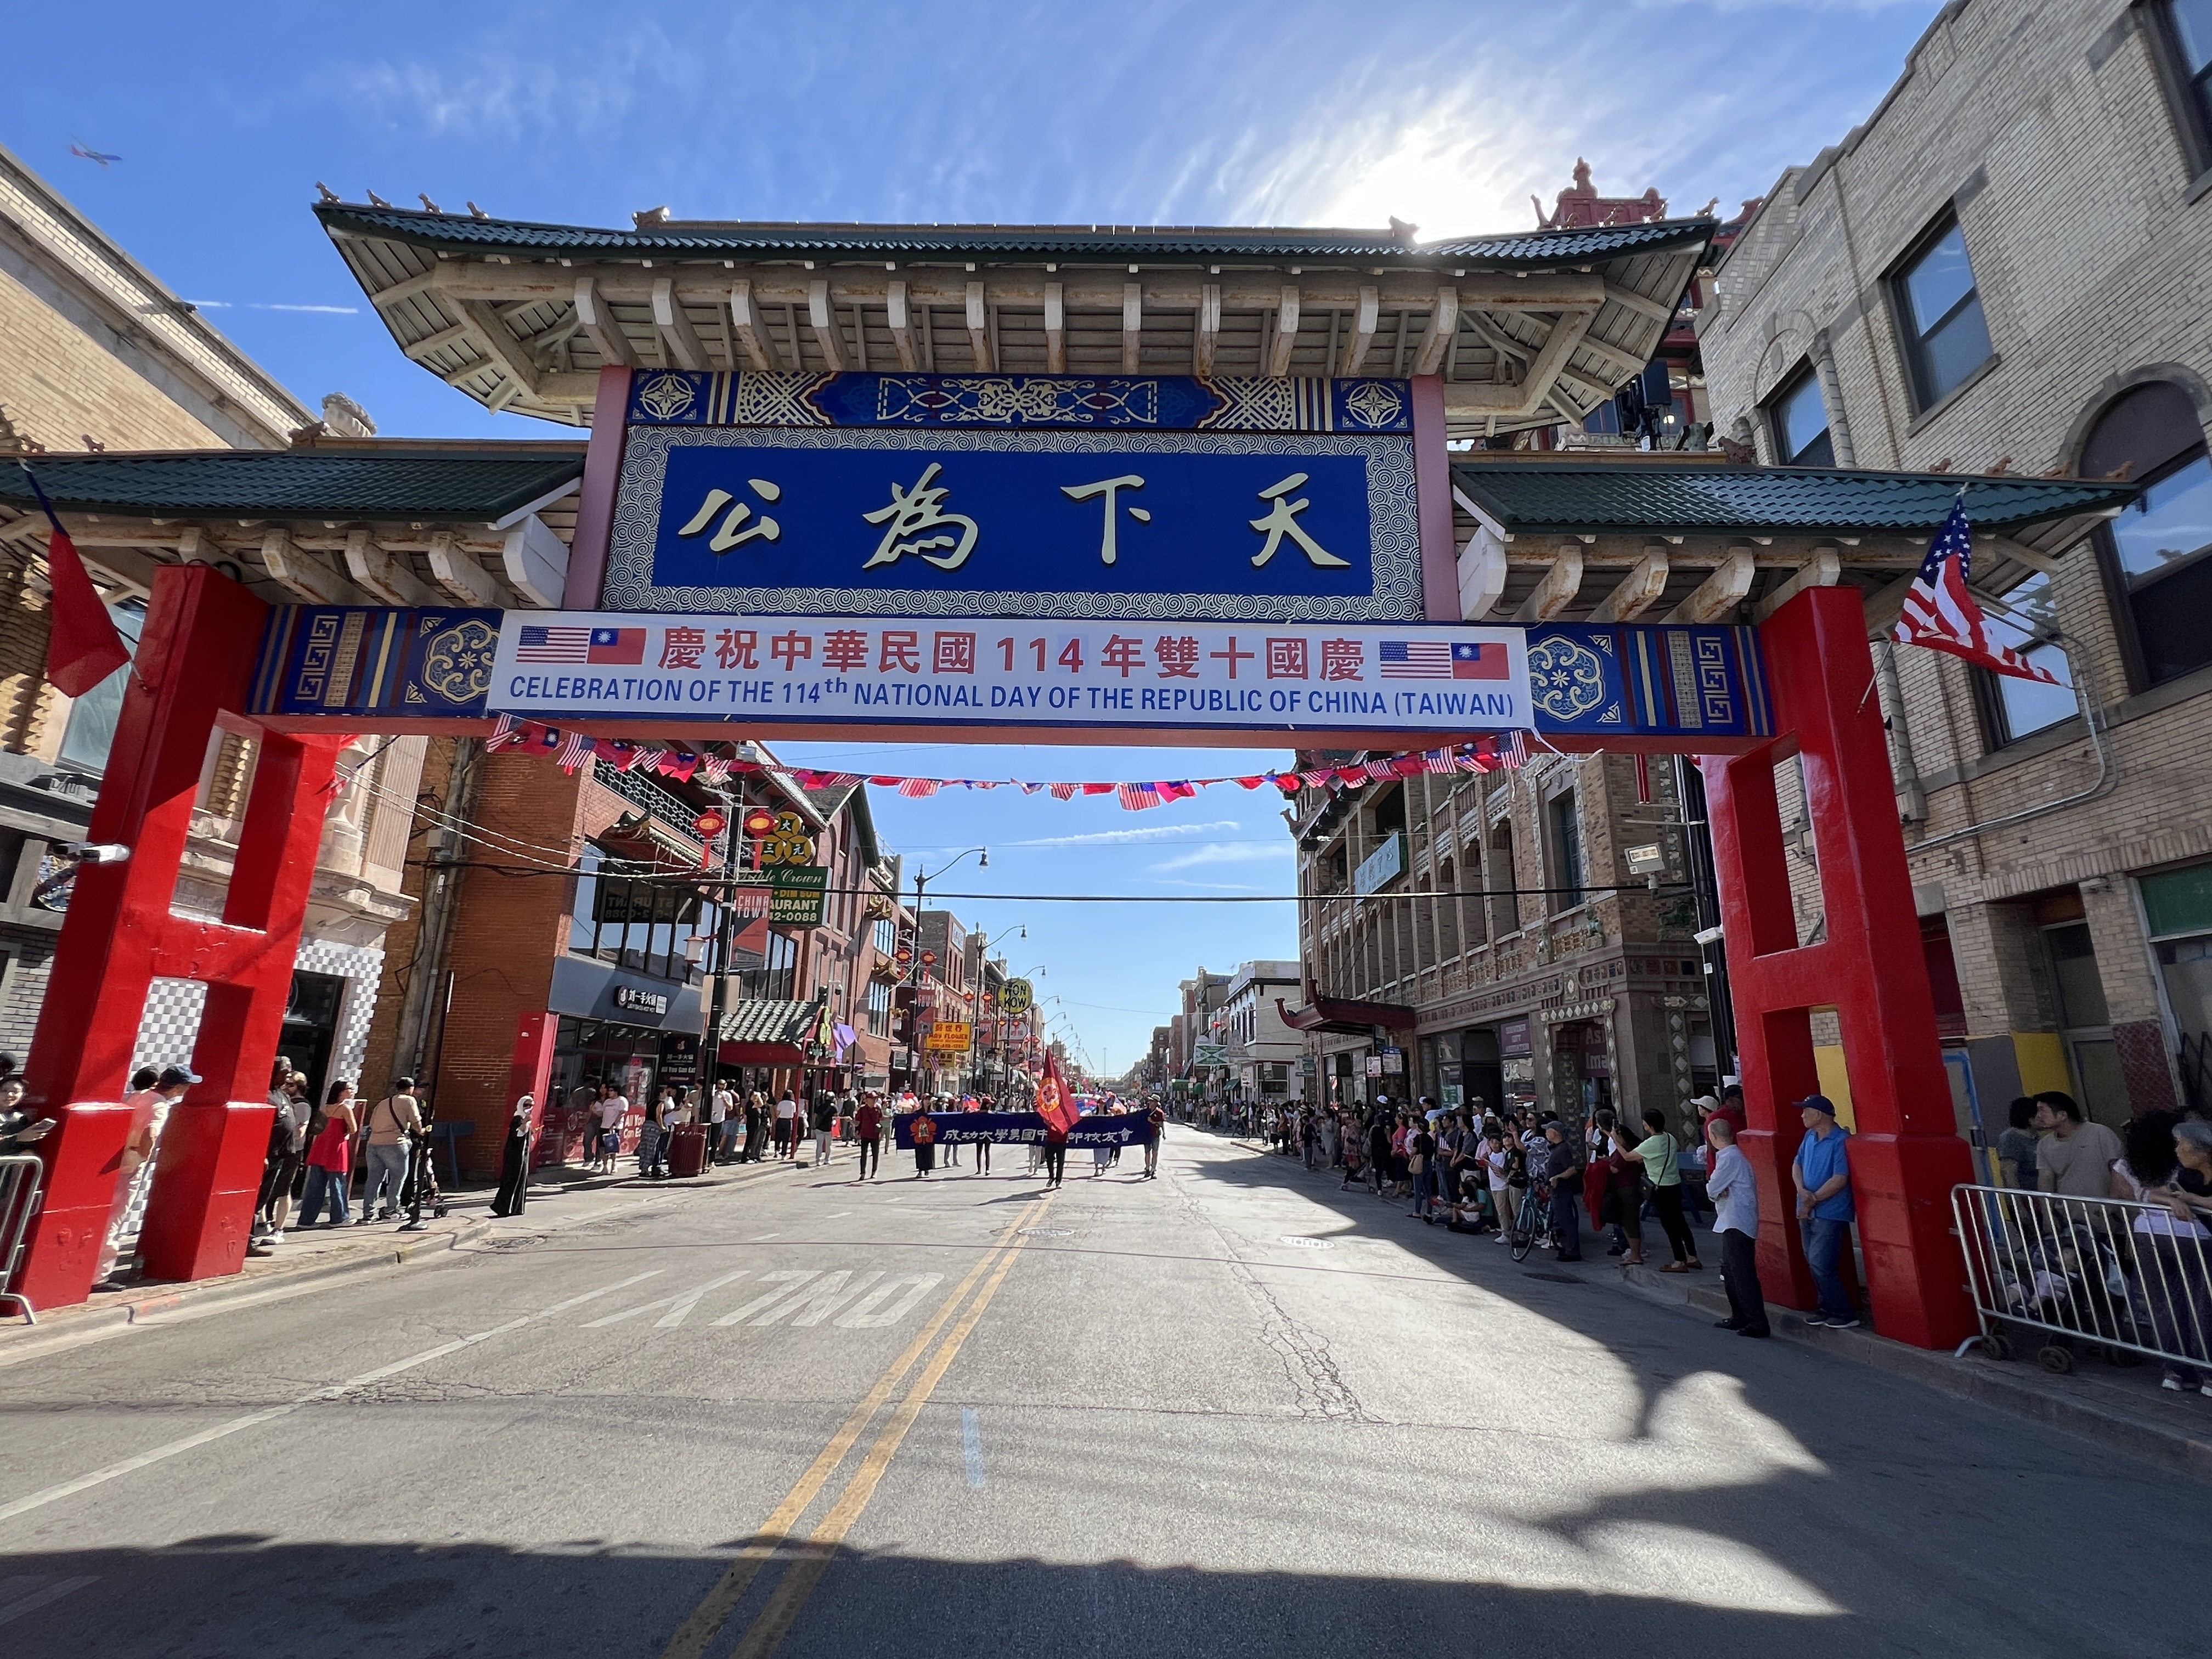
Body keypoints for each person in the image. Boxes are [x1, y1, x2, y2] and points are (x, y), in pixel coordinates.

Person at [2111, 1110, 2212, 1394]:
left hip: (2148, 1233)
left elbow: (2135, 1195)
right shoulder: (2185, 1165)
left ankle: (2175, 1371)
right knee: (2201, 1306)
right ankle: (2207, 1373)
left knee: (2165, 1305)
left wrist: (2171, 1200)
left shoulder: (2128, 1165)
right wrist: (2178, 1201)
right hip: (2193, 1234)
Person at [92, 1065, 193, 1287]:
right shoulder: (160, 1106)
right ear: (177, 1088)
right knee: (115, 1219)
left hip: (113, 1161)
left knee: (103, 1215)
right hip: (130, 1165)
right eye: (186, 1086)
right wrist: (143, 1157)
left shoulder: (139, 1095)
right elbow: (151, 1134)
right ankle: (99, 1276)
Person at [1791, 1093, 1859, 1328]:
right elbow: (1797, 1164)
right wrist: (1801, 1190)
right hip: (1807, 1207)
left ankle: (1844, 1311)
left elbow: (1840, 1178)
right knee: (1813, 1261)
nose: (1802, 1116)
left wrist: (1812, 1200)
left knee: (1820, 1262)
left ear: (1818, 1114)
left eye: (1805, 1111)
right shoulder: (1809, 1136)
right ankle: (1827, 1307)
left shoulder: (1841, 1140)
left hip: (1830, 1211)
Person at [1705, 1117, 1769, 1336]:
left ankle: (1756, 1322)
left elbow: (1712, 1188)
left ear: (1713, 1137)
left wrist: (1716, 1191)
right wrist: (1718, 1190)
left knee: (1742, 1273)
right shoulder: (1733, 1156)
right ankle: (1740, 1315)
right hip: (1732, 1221)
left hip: (1737, 1222)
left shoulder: (1729, 1157)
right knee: (1730, 1272)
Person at [1622, 1108, 1700, 1272]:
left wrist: (1617, 1142)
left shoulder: (1652, 1142)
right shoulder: (1670, 1138)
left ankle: (1679, 1261)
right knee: (1681, 1222)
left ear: (1650, 1125)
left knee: (1670, 1226)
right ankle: (1692, 1256)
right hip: (1675, 1184)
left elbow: (1628, 1157)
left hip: (1661, 1188)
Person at [252, 1062, 306, 1252]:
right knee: (257, 1198)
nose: (287, 1077)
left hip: (282, 1156)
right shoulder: (265, 1095)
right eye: (284, 1072)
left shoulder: (282, 1095)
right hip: (268, 1157)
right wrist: (262, 1154)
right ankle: (249, 1239)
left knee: (265, 1196)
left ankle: (251, 1238)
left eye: (290, 1073)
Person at [2033, 1091, 2122, 1198]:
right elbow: (2046, 1180)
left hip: (2104, 1205)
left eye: (2042, 1110)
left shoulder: (2100, 1133)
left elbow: (2118, 1170)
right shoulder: (2044, 1145)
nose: (2038, 1116)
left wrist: (2112, 1202)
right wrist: (2047, 1209)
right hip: (2068, 1208)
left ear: (2062, 1115)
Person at [358, 1077, 421, 1223]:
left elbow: (372, 1124)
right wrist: (422, 1131)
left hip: (374, 1144)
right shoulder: (409, 1100)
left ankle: (368, 1214)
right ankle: (391, 1211)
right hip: (395, 1143)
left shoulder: (383, 1103)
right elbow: (416, 1121)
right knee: (397, 1178)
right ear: (410, 1089)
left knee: (373, 1179)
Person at [297, 1080, 358, 1228]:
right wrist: (346, 1133)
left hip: (320, 1148)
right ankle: (339, 1218)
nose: (352, 1091)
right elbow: (353, 1129)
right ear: (341, 1092)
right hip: (336, 1148)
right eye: (350, 1089)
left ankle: (306, 1220)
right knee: (338, 1184)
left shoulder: (325, 1108)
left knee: (315, 1186)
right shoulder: (345, 1109)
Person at [1539, 1121, 1584, 1260]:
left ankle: (1573, 1251)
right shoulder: (1557, 1148)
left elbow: (1572, 1169)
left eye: (1548, 1131)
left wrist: (1557, 1177)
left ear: (1554, 1133)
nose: (1546, 1133)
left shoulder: (1563, 1149)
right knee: (1562, 1221)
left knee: (1567, 1221)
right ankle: (1567, 1247)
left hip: (1562, 1191)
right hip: (1556, 1191)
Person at [490, 1094, 535, 1217]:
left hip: (523, 1155)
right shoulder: (518, 1118)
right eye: (526, 1105)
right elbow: (518, 1134)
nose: (528, 1108)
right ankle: (503, 1208)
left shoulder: (525, 1119)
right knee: (511, 1180)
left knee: (521, 1180)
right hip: (514, 1155)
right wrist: (525, 1123)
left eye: (531, 1106)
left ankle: (517, 1208)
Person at [0, 1074, 54, 1156]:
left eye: (15, 1091)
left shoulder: (22, 1120)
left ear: (23, 1095)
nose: (10, 1095)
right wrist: (19, 1138)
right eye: (4, 1091)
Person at [1995, 1096, 2041, 1191]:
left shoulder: (2037, 1137)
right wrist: (2017, 1199)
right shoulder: (2010, 1138)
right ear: (2030, 1117)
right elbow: (2009, 1174)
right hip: (2027, 1194)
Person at [1407, 1117, 1438, 1220]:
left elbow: (1414, 1151)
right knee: (1428, 1188)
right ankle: (1429, 1212)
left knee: (1418, 1188)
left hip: (1420, 1162)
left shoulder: (1418, 1138)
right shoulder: (1430, 1138)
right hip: (1429, 1162)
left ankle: (1417, 1211)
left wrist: (1411, 1156)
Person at [596, 1085, 628, 1174]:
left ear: (616, 1092)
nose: (609, 1092)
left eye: (611, 1091)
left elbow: (622, 1113)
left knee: (613, 1147)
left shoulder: (621, 1100)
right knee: (603, 1148)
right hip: (604, 1126)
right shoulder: (607, 1101)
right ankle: (605, 1166)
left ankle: (614, 1164)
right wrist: (594, 1111)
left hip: (615, 1127)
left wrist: (614, 1124)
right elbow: (602, 1113)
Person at [854, 1092, 883, 1181]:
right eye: (873, 1099)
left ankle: (874, 1172)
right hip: (865, 1134)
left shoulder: (878, 1108)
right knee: (863, 1154)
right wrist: (852, 1123)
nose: (875, 1100)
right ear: (868, 1100)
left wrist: (891, 1117)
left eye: (876, 1099)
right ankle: (863, 1173)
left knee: (875, 1154)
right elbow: (857, 1122)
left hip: (875, 1134)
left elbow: (881, 1118)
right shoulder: (862, 1109)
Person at [1041, 1113, 1068, 1189]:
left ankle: (1058, 1181)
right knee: (1049, 1160)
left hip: (1061, 1142)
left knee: (1060, 1162)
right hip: (1050, 1141)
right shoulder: (1051, 1116)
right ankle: (1051, 1177)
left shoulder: (1065, 1119)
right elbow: (1046, 1121)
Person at [810, 1092, 836, 1168]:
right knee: (828, 1146)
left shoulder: (821, 1106)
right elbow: (836, 1118)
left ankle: (818, 1160)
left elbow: (815, 1115)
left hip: (819, 1128)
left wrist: (814, 1124)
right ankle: (827, 1159)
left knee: (819, 1145)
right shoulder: (834, 1108)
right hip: (829, 1129)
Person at [911, 1106, 938, 1177]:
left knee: (928, 1153)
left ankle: (927, 1169)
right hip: (919, 1137)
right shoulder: (918, 1112)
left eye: (929, 1100)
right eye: (926, 1100)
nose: (927, 1102)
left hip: (929, 1137)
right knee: (920, 1153)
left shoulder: (932, 1112)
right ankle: (920, 1171)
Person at [775, 1088, 800, 1159]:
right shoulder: (793, 1104)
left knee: (778, 1136)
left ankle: (777, 1151)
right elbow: (794, 1113)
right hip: (788, 1121)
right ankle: (783, 1154)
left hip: (780, 1120)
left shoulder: (781, 1103)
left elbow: (777, 1113)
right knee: (786, 1138)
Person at [1144, 1099, 1165, 1180]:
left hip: (1155, 1134)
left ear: (1156, 1103)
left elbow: (1161, 1124)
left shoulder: (1159, 1113)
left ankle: (1153, 1170)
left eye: (1152, 1101)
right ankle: (1147, 1168)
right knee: (1147, 1152)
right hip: (1146, 1135)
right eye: (1150, 1101)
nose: (1150, 1103)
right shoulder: (1146, 1112)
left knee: (1155, 1152)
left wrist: (1152, 1122)